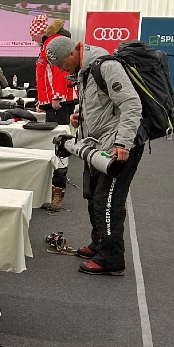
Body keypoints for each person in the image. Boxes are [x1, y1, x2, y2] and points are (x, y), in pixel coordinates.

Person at [47, 35, 144, 276]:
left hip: (119, 146)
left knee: (108, 202)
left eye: (61, 64)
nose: (61, 69)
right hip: (99, 144)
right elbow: (100, 103)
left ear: (72, 53)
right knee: (93, 197)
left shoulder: (107, 66)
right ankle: (100, 244)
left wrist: (123, 143)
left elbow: (132, 104)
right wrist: (80, 117)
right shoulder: (85, 71)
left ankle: (112, 259)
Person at [31, 15, 76, 126]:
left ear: (39, 33)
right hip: (55, 100)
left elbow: (60, 70)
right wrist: (43, 100)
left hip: (58, 101)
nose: (32, 39)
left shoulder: (51, 45)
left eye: (33, 35)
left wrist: (57, 96)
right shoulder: (48, 45)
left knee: (57, 132)